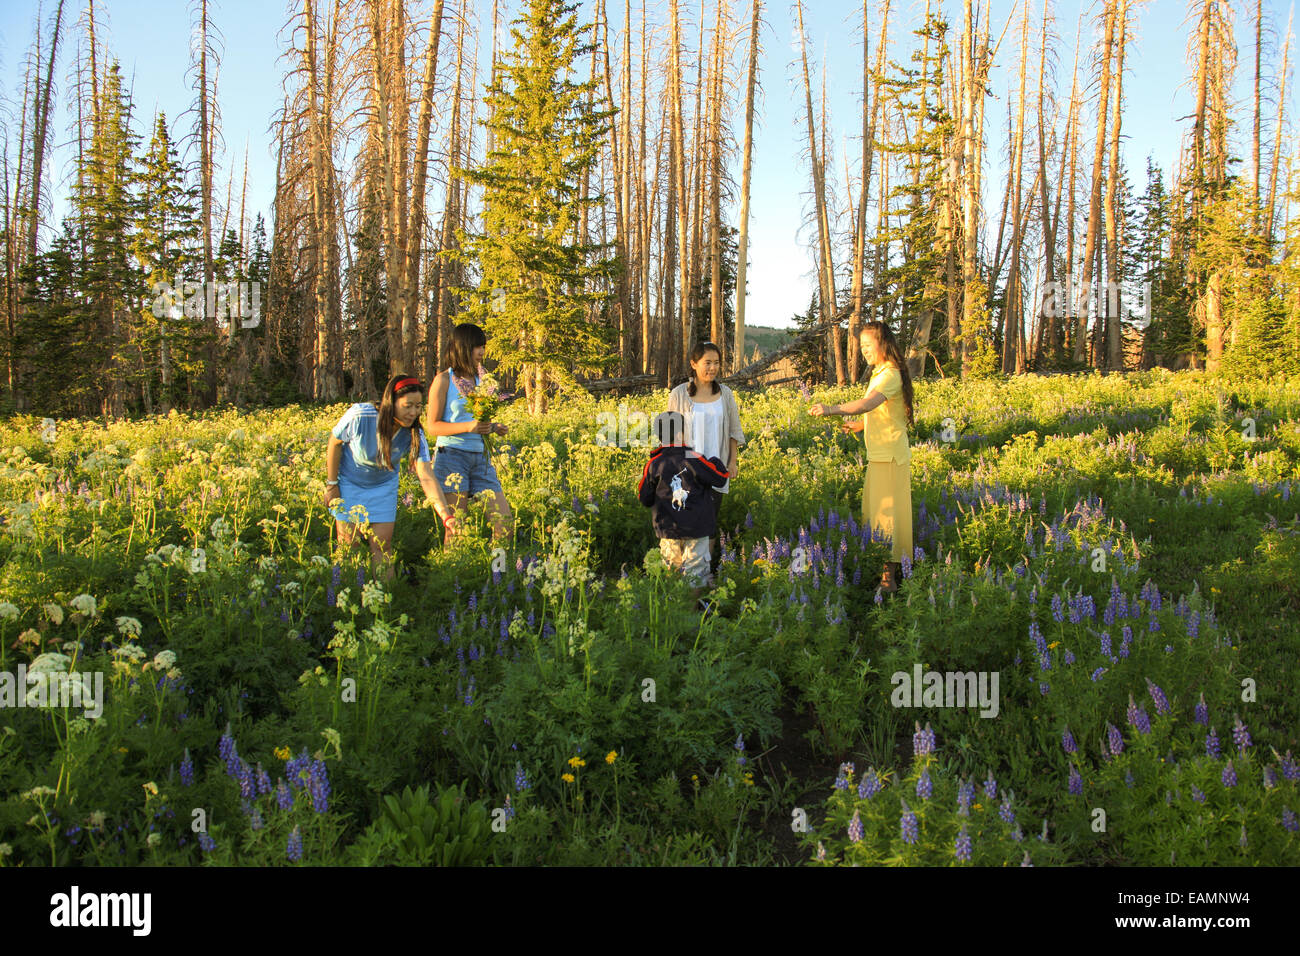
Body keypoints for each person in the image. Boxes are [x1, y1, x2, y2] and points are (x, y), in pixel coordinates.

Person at [808, 321, 915, 594]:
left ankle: (889, 581)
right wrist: (860, 425)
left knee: (888, 517)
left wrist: (832, 409)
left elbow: (868, 404)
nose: (864, 350)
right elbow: (881, 412)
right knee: (879, 516)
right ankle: (887, 574)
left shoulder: (890, 374)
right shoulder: (880, 372)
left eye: (868, 345)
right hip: (881, 456)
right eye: (862, 346)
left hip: (890, 457)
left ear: (884, 344)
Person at [324, 374, 457, 581]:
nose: (413, 412)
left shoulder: (414, 434)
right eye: (407, 406)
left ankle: (387, 602)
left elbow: (426, 475)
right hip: (349, 484)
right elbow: (334, 442)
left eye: (418, 406)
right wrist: (332, 485)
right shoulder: (361, 415)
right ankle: (342, 590)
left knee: (382, 546)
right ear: (392, 402)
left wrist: (445, 515)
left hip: (383, 488)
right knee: (348, 545)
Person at [427, 322, 513, 541]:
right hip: (452, 457)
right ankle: (453, 573)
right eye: (477, 347)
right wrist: (468, 427)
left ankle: (498, 572)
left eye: (483, 347)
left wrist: (493, 428)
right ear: (462, 347)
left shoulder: (483, 380)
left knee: (504, 524)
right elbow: (432, 426)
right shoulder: (443, 380)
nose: (481, 352)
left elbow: (478, 421)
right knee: (457, 530)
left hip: (480, 457)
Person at [666, 342, 744, 577]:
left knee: (708, 524)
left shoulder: (726, 394)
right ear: (694, 364)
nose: (712, 368)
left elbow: (734, 431)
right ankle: (680, 574)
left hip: (715, 470)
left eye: (717, 363)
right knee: (682, 523)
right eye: (707, 363)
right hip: (685, 470)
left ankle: (703, 575)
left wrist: (732, 462)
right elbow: (670, 434)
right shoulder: (679, 394)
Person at [637, 411, 731, 606]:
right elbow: (720, 477)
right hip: (697, 528)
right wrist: (715, 461)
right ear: (681, 434)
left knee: (671, 569)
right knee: (696, 572)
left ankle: (674, 611)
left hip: (667, 529)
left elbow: (644, 497)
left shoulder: (654, 463)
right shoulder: (694, 458)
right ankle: (690, 613)